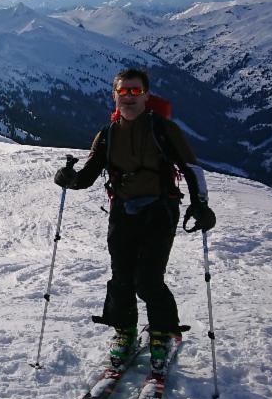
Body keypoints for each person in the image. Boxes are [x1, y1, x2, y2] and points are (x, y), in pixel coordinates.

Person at [53, 68, 216, 371]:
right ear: (114, 95)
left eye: (135, 91)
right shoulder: (108, 135)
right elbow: (88, 176)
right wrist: (68, 179)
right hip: (122, 212)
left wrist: (201, 205)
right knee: (122, 277)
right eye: (123, 91)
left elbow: (192, 168)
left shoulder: (163, 130)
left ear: (146, 95)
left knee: (149, 279)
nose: (129, 96)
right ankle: (124, 331)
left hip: (160, 210)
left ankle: (162, 333)